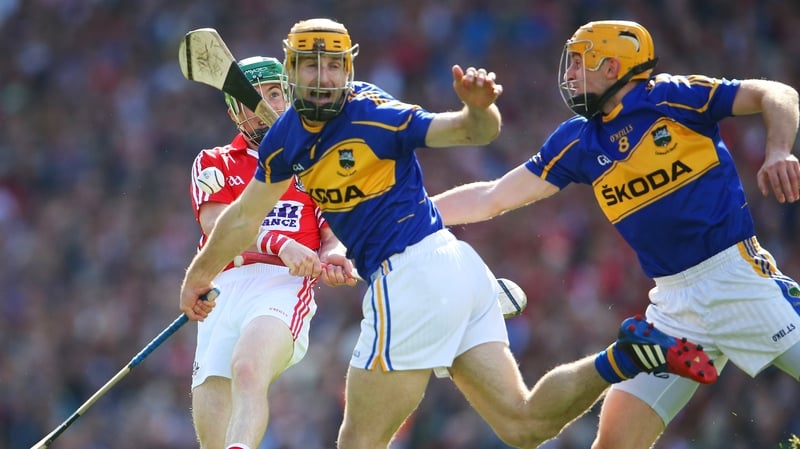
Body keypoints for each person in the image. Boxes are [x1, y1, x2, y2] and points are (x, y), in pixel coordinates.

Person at [179, 18, 718, 449]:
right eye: (310, 67)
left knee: (359, 441)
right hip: (457, 270)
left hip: (411, 278)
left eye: (332, 67)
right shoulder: (286, 141)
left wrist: (478, 110)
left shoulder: (374, 113)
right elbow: (243, 219)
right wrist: (202, 274)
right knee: (524, 425)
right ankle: (622, 357)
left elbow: (463, 131)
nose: (322, 78)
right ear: (294, 71)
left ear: (349, 70)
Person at [432, 19, 800, 449]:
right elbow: (491, 197)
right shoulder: (579, 142)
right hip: (672, 308)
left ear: (612, 67)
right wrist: (413, 215)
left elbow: (777, 92)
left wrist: (778, 149)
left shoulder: (671, 96)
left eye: (577, 64)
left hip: (738, 280)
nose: (567, 75)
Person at [188, 55, 355, 449]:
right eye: (252, 97)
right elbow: (217, 227)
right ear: (234, 111)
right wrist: (281, 242)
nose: (266, 104)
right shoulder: (214, 162)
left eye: (275, 93)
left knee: (248, 368)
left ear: (291, 98)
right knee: (212, 426)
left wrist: (334, 254)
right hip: (220, 288)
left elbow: (333, 235)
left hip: (282, 284)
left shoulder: (316, 162)